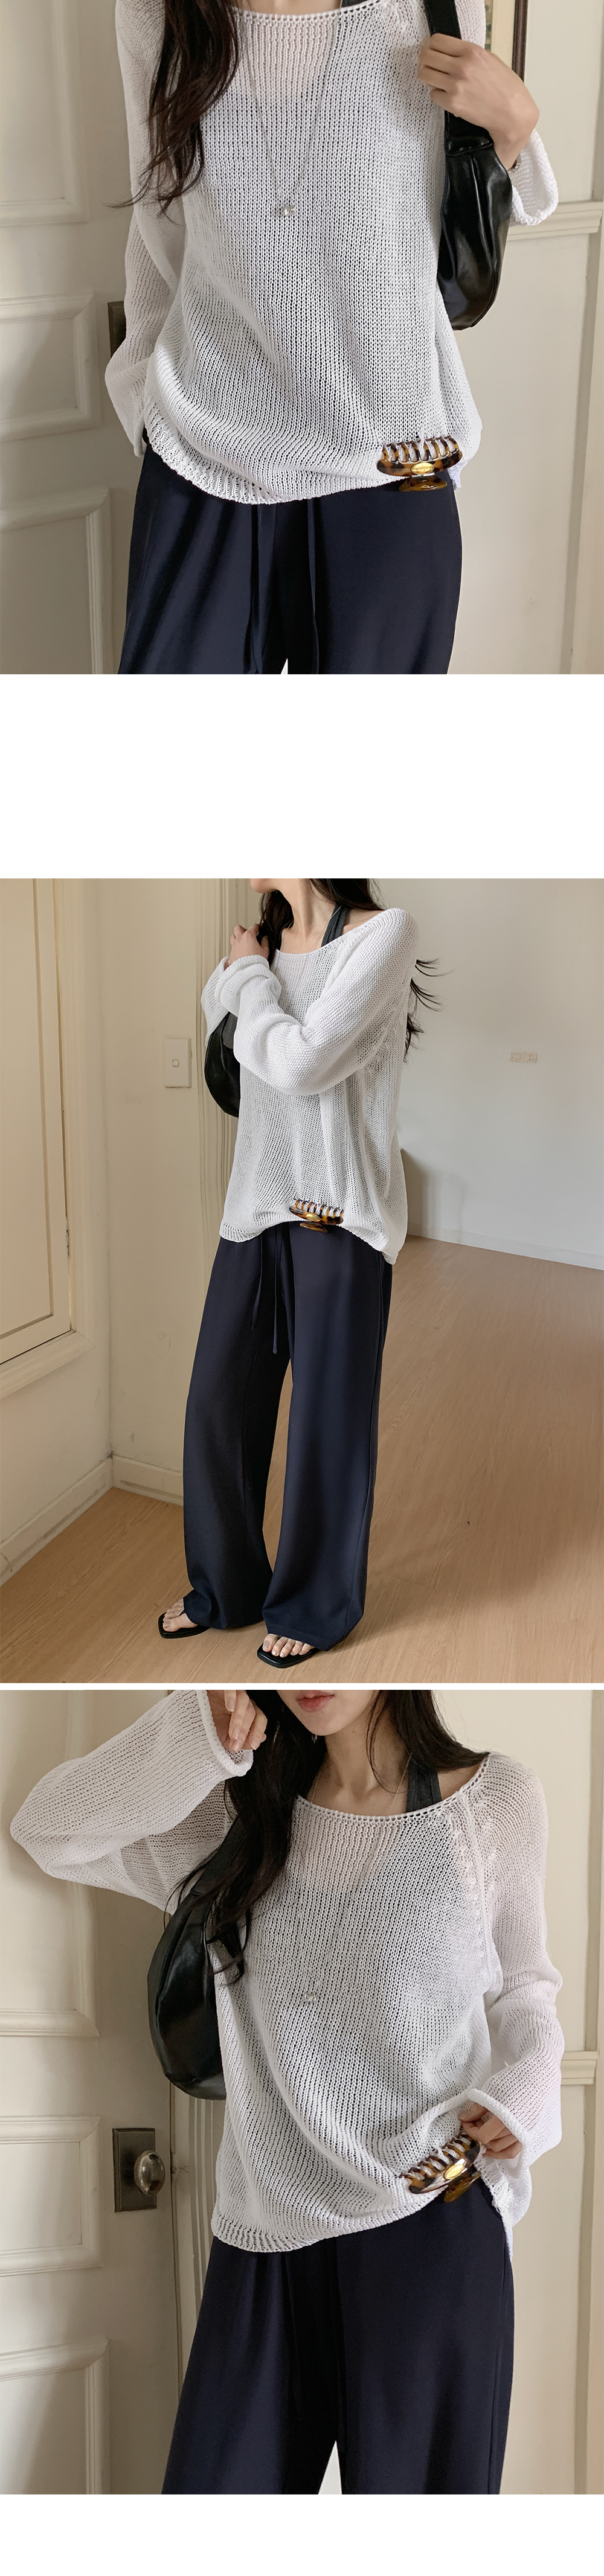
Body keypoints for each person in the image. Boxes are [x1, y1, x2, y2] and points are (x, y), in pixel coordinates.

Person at [11, 1684, 564, 2495]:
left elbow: (526, 1991)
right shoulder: (237, 1816)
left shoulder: (493, 1801)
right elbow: (48, 1830)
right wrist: (196, 1733)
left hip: (429, 2214)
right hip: (265, 2230)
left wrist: (525, 2092)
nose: (308, 1665)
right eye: (281, 1638)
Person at [107, 0, 557, 675]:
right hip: (205, 453)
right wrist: (145, 405)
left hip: (392, 460)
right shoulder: (158, 4)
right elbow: (157, 228)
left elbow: (459, 228)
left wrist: (517, 129)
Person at [159, 879, 421, 1666]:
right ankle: (226, 1587)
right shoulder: (263, 944)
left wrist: (248, 976)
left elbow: (301, 1064)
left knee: (325, 1424)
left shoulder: (383, 934)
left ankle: (313, 1603)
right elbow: (221, 1029)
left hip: (338, 1214)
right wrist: (250, 970)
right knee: (217, 1403)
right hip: (256, 1204)